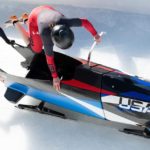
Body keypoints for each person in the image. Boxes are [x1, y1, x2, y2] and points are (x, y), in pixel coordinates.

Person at [9, 5, 101, 91]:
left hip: (45, 10)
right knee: (36, 49)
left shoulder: (66, 22)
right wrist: (55, 77)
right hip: (35, 17)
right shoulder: (45, 36)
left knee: (39, 40)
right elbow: (49, 59)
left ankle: (25, 19)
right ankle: (17, 23)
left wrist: (95, 34)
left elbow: (85, 22)